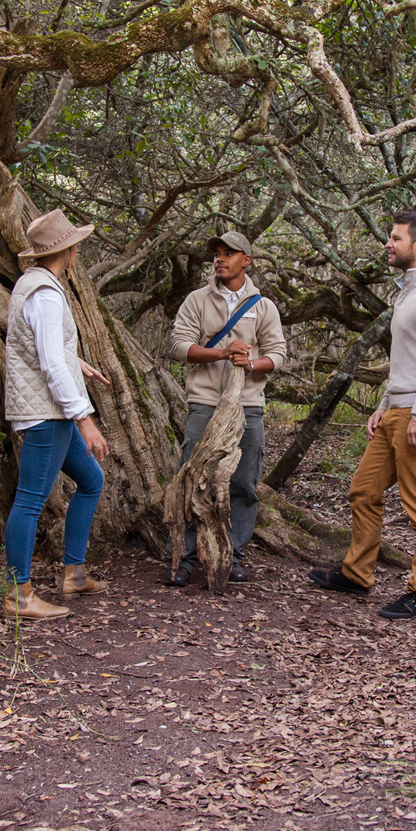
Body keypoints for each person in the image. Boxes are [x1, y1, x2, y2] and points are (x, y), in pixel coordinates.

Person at [308, 210, 416, 619]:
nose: (388, 245)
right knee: (363, 490)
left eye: (395, 238)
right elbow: (405, 361)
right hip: (398, 410)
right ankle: (357, 574)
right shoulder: (408, 291)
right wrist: (384, 406)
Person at [1, 208, 113, 621]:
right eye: (75, 244)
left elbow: (41, 349)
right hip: (47, 415)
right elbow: (48, 363)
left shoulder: (31, 285)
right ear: (68, 250)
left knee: (91, 479)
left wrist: (77, 361)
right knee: (30, 501)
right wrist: (85, 419)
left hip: (50, 412)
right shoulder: (46, 294)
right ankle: (19, 596)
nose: (78, 250)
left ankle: (74, 574)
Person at [166, 231, 289, 586]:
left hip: (247, 404)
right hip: (204, 402)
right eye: (216, 253)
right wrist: (222, 353)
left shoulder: (263, 306)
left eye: (228, 254)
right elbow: (179, 346)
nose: (219, 259)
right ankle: (187, 556)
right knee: (192, 476)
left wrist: (250, 364)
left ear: (246, 261)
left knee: (244, 481)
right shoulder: (196, 300)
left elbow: (278, 354)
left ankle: (232, 554)